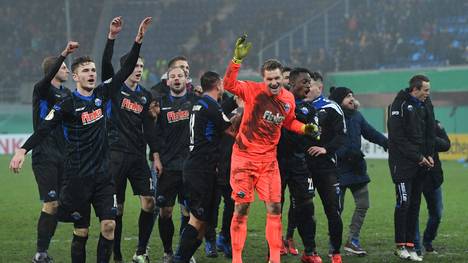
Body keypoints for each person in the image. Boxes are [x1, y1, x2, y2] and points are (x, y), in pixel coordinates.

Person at [10, 17, 152, 263]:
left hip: (103, 177)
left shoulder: (102, 95)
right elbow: (43, 129)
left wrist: (137, 40)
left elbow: (125, 70)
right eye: (85, 71)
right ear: (75, 76)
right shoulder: (66, 104)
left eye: (93, 71)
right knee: (82, 232)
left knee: (109, 226)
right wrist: (22, 150)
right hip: (77, 178)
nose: (91, 74)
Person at [223, 35, 319, 263]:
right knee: (241, 208)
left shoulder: (288, 99)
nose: (274, 82)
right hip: (244, 159)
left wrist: (305, 128)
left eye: (277, 78)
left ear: (281, 79)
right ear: (263, 79)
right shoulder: (251, 91)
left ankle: (274, 259)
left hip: (268, 161)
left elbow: (288, 122)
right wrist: (236, 60)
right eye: (269, 79)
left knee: (275, 207)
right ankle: (237, 259)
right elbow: (228, 84)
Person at [101, 16, 158, 263]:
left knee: (149, 203)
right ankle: (117, 253)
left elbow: (149, 129)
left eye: (141, 67)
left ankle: (141, 250)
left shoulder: (145, 96)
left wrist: (155, 154)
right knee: (118, 209)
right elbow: (105, 64)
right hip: (115, 155)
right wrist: (113, 38)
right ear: (126, 69)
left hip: (137, 156)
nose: (138, 70)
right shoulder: (113, 89)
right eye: (135, 66)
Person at [173, 71, 236, 263]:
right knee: (197, 219)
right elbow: (231, 130)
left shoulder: (201, 104)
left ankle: (183, 258)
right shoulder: (211, 105)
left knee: (202, 223)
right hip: (199, 169)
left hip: (203, 168)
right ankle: (178, 259)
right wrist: (241, 109)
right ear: (218, 85)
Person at [29, 41, 77, 263]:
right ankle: (40, 252)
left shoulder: (68, 94)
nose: (67, 70)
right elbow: (45, 80)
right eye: (65, 67)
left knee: (59, 205)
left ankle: (45, 250)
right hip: (44, 153)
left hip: (64, 155)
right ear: (55, 70)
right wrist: (64, 54)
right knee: (50, 203)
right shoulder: (42, 90)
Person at [329, 86, 388, 256]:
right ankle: (334, 244)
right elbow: (327, 143)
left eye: (352, 96)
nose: (352, 99)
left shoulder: (357, 116)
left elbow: (371, 133)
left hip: (357, 170)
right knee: (335, 210)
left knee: (363, 205)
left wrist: (386, 143)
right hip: (338, 170)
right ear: (339, 100)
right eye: (348, 97)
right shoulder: (331, 117)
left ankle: (352, 240)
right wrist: (344, 154)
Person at [153, 66, 199, 263]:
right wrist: (155, 158)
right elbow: (152, 134)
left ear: (186, 79)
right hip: (168, 166)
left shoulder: (195, 101)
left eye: (180, 76)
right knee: (165, 212)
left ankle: (185, 253)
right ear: (168, 82)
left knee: (188, 212)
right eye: (173, 77)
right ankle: (168, 251)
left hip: (190, 167)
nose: (177, 79)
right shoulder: (159, 104)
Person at [278, 68, 324, 263]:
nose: (308, 86)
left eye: (310, 82)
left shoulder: (310, 109)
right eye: (304, 82)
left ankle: (310, 251)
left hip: (299, 164)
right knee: (275, 208)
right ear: (292, 83)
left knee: (306, 207)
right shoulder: (278, 104)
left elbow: (314, 136)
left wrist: (313, 133)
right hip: (276, 163)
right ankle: (275, 248)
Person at [388, 75, 435, 262]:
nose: (428, 94)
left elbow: (430, 130)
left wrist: (429, 154)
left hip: (421, 163)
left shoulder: (426, 103)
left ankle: (410, 246)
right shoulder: (398, 105)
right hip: (402, 164)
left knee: (414, 205)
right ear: (415, 89)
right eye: (425, 90)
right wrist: (419, 157)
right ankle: (400, 246)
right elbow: (398, 138)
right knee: (403, 204)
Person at [304, 71, 346, 263]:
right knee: (304, 210)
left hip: (326, 168)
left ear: (319, 87)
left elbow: (341, 135)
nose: (306, 88)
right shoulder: (299, 106)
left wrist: (325, 149)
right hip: (304, 168)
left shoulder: (331, 107)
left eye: (309, 84)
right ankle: (309, 251)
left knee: (333, 210)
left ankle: (335, 252)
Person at [414, 120, 450, 256]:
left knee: (437, 213)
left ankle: (427, 241)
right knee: (413, 212)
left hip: (433, 177)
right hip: (413, 175)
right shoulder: (409, 123)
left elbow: (447, 145)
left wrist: (430, 138)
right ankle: (416, 246)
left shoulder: (435, 124)